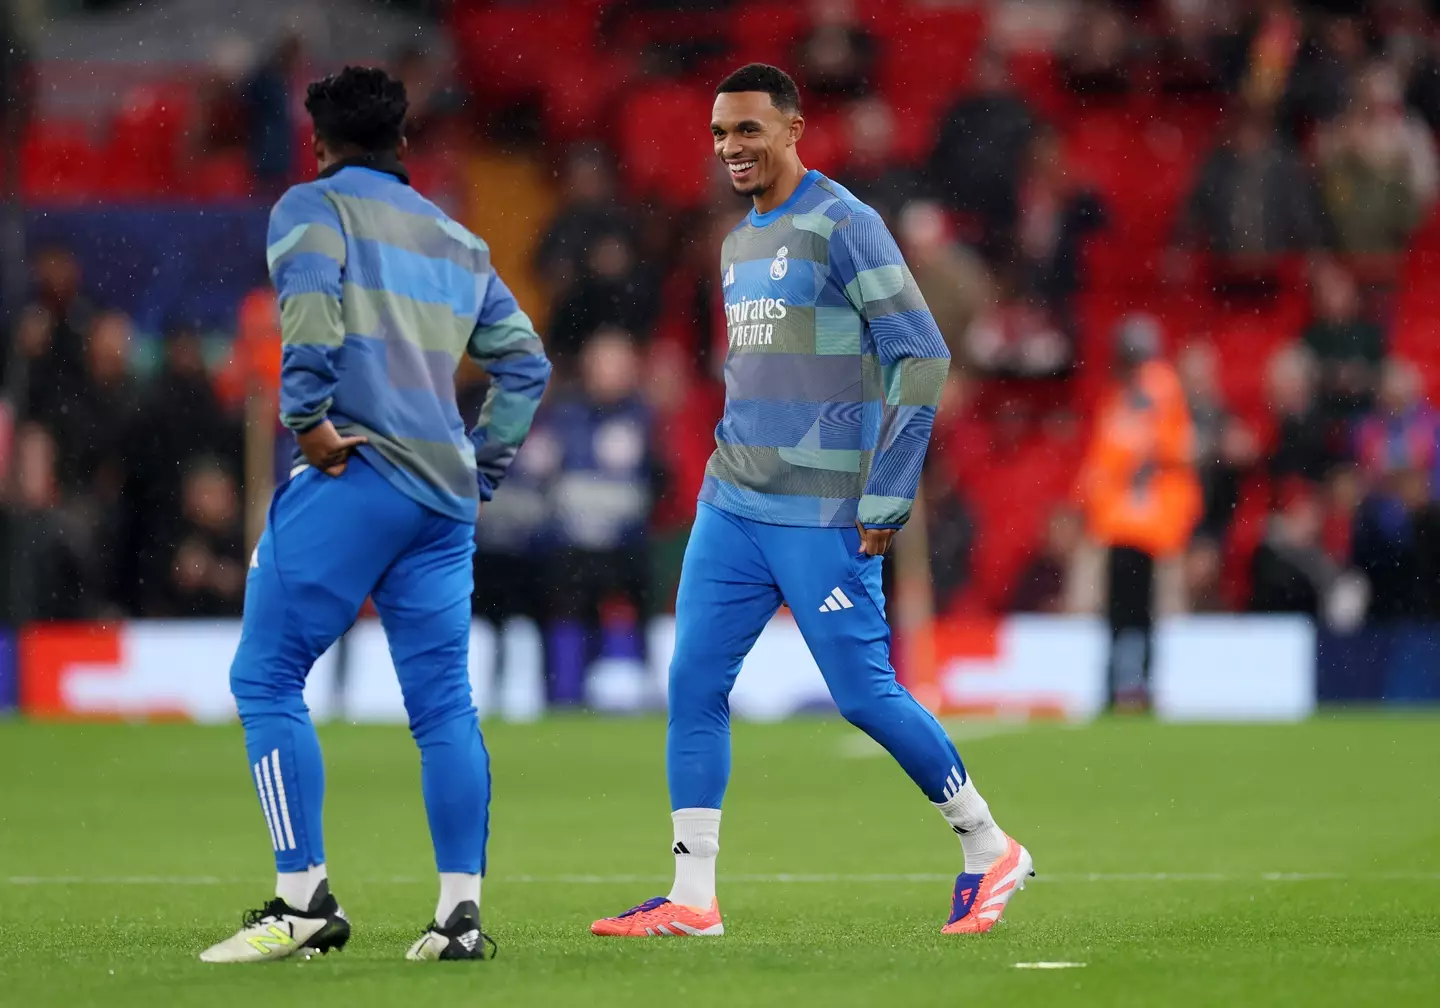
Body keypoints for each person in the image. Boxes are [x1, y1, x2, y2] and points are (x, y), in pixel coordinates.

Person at [590, 64, 1031, 941]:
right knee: (694, 685)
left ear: (794, 128)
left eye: (748, 130)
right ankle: (693, 897)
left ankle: (989, 846)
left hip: (825, 512)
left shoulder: (846, 225)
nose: (731, 150)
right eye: (720, 135)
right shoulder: (735, 242)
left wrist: (891, 488)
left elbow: (923, 353)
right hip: (733, 503)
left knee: (865, 698)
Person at [201, 66, 552, 964]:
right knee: (444, 710)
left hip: (356, 471)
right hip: (443, 495)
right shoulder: (456, 240)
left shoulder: (311, 208)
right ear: (404, 145)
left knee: (266, 677)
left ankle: (302, 898)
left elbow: (309, 310)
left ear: (319, 143)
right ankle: (459, 917)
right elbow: (526, 365)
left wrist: (308, 418)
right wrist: (484, 466)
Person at [1078, 315, 1201, 711]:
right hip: (1130, 524)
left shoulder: (1154, 389)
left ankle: (1132, 686)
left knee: (1135, 610)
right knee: (1129, 611)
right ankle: (1128, 686)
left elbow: (1154, 449)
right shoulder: (1123, 397)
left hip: (1148, 523)